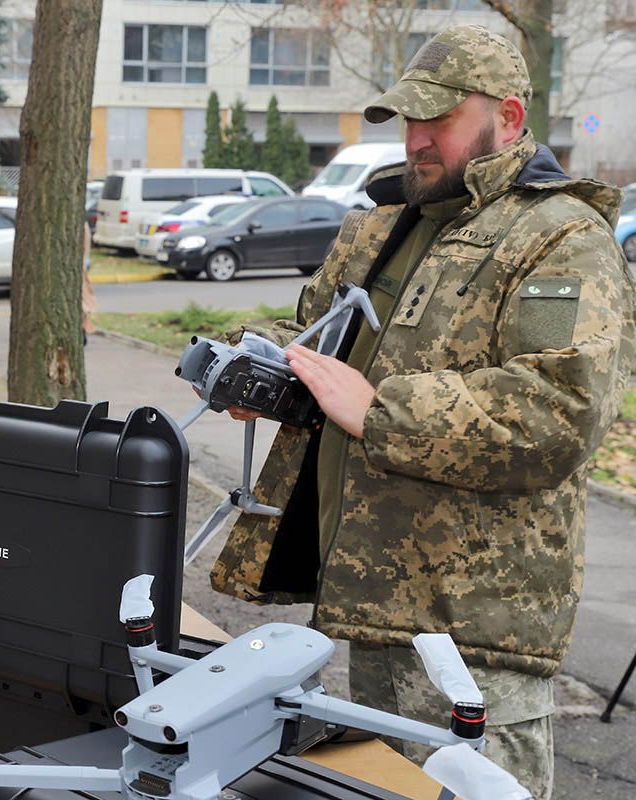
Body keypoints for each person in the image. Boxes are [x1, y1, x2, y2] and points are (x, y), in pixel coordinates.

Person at [209, 26, 635, 799]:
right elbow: (317, 337)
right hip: (370, 604)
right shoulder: (382, 225)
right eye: (408, 120)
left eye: (437, 120)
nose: (416, 141)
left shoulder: (562, 236)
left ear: (507, 118)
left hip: (473, 633)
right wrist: (256, 361)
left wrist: (381, 411)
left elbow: (558, 409)